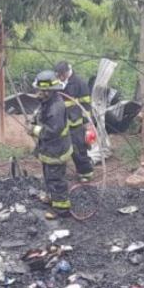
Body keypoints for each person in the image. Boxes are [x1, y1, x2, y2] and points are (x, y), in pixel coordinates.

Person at [29, 70, 73, 218]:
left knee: (56, 179)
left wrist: (34, 129)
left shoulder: (56, 108)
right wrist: (35, 118)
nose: (38, 93)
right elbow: (42, 114)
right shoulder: (48, 101)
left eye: (41, 90)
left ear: (49, 91)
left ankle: (61, 208)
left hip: (56, 150)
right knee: (48, 176)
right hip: (49, 149)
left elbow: (52, 131)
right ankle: (51, 197)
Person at [54, 61, 95, 181]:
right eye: (58, 75)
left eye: (62, 75)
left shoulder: (79, 83)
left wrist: (87, 123)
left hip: (74, 123)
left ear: (67, 72)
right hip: (59, 123)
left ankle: (85, 174)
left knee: (78, 149)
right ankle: (57, 174)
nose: (60, 77)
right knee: (58, 150)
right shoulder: (56, 82)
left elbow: (86, 105)